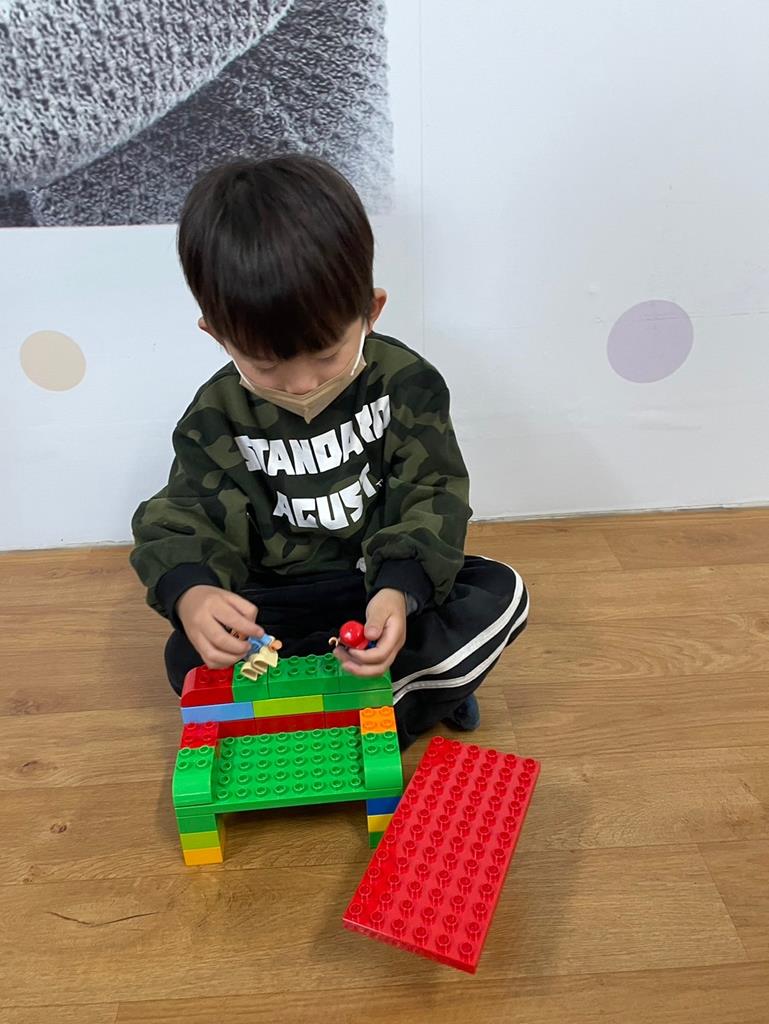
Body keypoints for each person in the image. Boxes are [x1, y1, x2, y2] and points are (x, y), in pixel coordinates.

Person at [130, 154, 529, 748]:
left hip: (376, 591)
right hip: (274, 611)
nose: (300, 385)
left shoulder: (406, 383)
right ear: (216, 334)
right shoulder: (215, 415)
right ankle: (396, 698)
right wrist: (194, 592)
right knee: (185, 657)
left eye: (325, 355)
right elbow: (187, 516)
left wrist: (401, 589)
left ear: (371, 311)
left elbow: (433, 493)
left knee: (502, 593)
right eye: (266, 365)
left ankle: (344, 704)